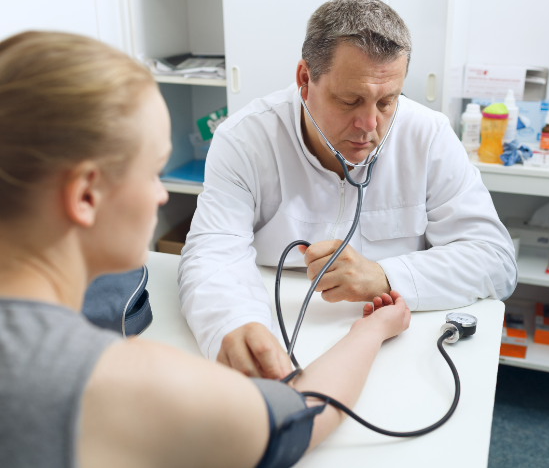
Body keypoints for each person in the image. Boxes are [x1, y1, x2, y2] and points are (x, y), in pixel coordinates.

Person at [0, 31, 411, 468]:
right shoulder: (117, 382)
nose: (162, 197)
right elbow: (300, 415)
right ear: (85, 196)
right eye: (153, 172)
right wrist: (370, 332)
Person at [179, 0, 517, 378]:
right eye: (350, 100)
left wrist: (386, 276)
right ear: (305, 80)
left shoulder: (429, 136)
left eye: (387, 101)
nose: (369, 124)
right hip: (276, 329)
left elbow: (495, 260)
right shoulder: (246, 139)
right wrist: (236, 324)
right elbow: (212, 253)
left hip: (401, 346)